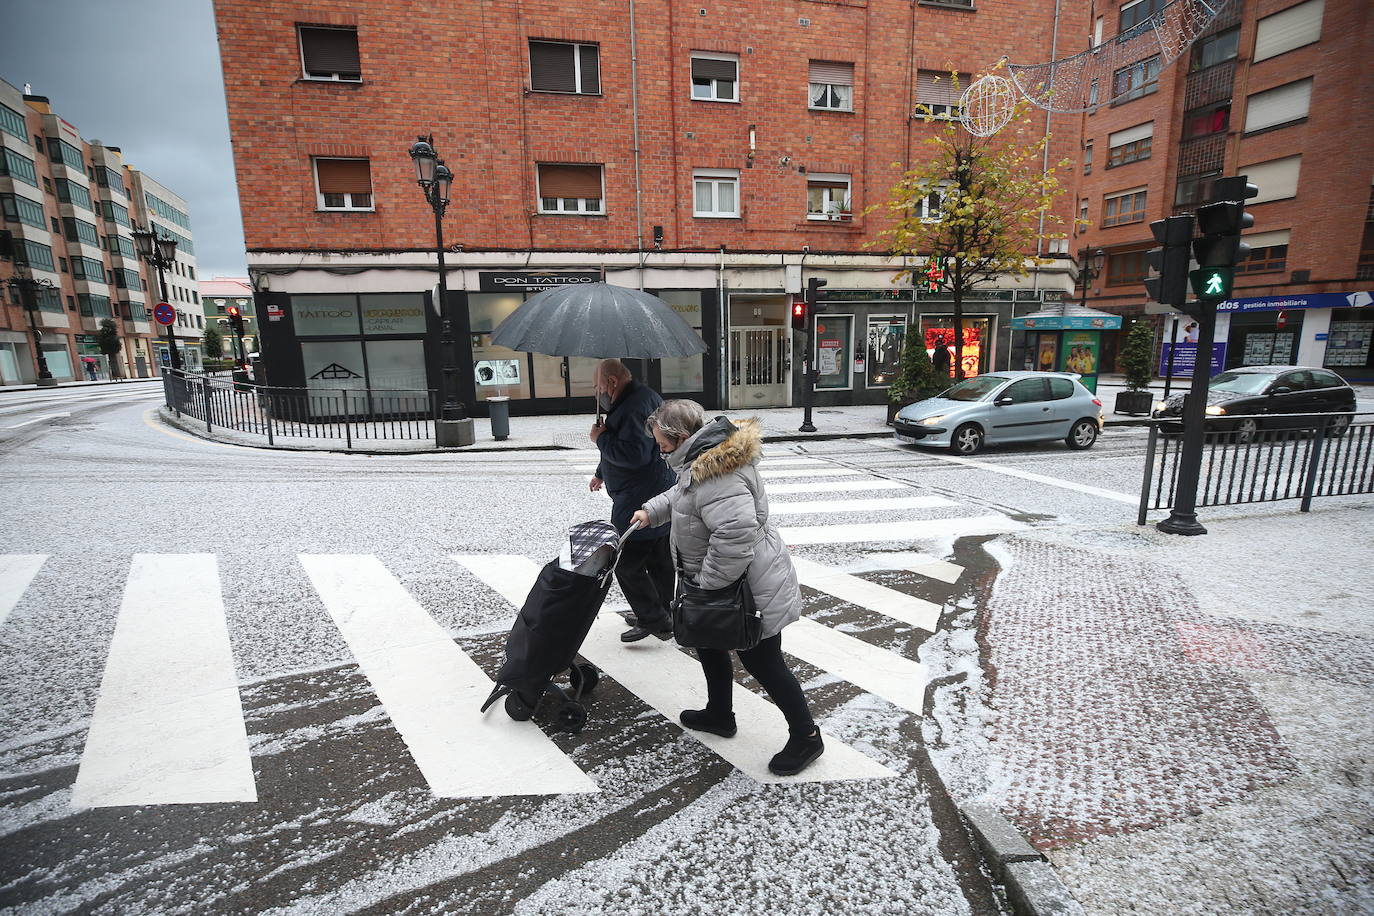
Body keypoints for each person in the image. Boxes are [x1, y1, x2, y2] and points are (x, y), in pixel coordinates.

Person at [631, 400, 824, 777]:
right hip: (729, 580)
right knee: (709, 640)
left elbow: (735, 536)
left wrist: (707, 587)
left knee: (763, 661)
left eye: (661, 443)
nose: (659, 450)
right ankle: (720, 713)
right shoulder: (704, 460)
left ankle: (807, 736)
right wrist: (652, 510)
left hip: (749, 586)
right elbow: (685, 494)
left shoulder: (719, 473)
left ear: (682, 438)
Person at [588, 359, 677, 643]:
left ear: (612, 382)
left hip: (639, 496)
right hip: (655, 489)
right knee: (659, 558)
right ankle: (663, 612)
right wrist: (601, 472)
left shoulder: (634, 406)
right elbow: (628, 445)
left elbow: (634, 455)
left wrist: (600, 439)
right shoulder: (640, 398)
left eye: (599, 385)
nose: (597, 391)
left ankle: (654, 618)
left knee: (626, 562)